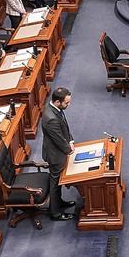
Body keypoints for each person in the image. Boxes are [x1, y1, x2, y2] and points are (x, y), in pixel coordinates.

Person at [40, 87, 76, 221]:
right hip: (55, 155)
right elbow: (58, 139)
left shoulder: (56, 109)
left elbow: (64, 127)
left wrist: (71, 140)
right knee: (55, 184)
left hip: (58, 149)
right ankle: (54, 213)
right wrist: (69, 149)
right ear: (57, 102)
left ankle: (59, 202)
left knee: (58, 182)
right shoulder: (51, 119)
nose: (68, 105)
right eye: (66, 103)